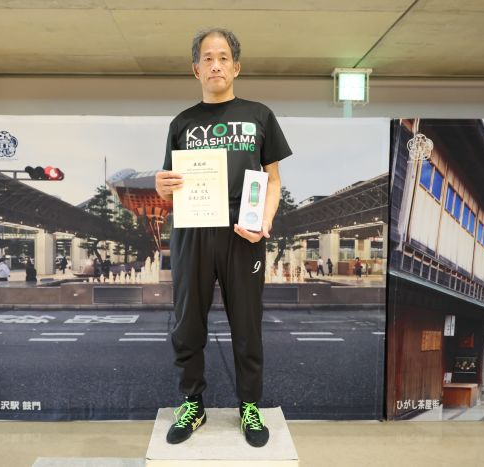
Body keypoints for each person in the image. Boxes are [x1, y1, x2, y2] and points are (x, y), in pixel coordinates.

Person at [155, 28, 292, 448]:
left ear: (236, 67)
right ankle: (192, 403)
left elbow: (273, 181)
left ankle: (249, 405)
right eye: (207, 58)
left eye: (223, 57)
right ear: (195, 69)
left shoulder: (259, 116)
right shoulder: (182, 123)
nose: (215, 65)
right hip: (193, 232)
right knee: (187, 323)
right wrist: (161, 186)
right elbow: (170, 186)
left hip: (243, 235)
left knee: (247, 324)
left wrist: (264, 221)